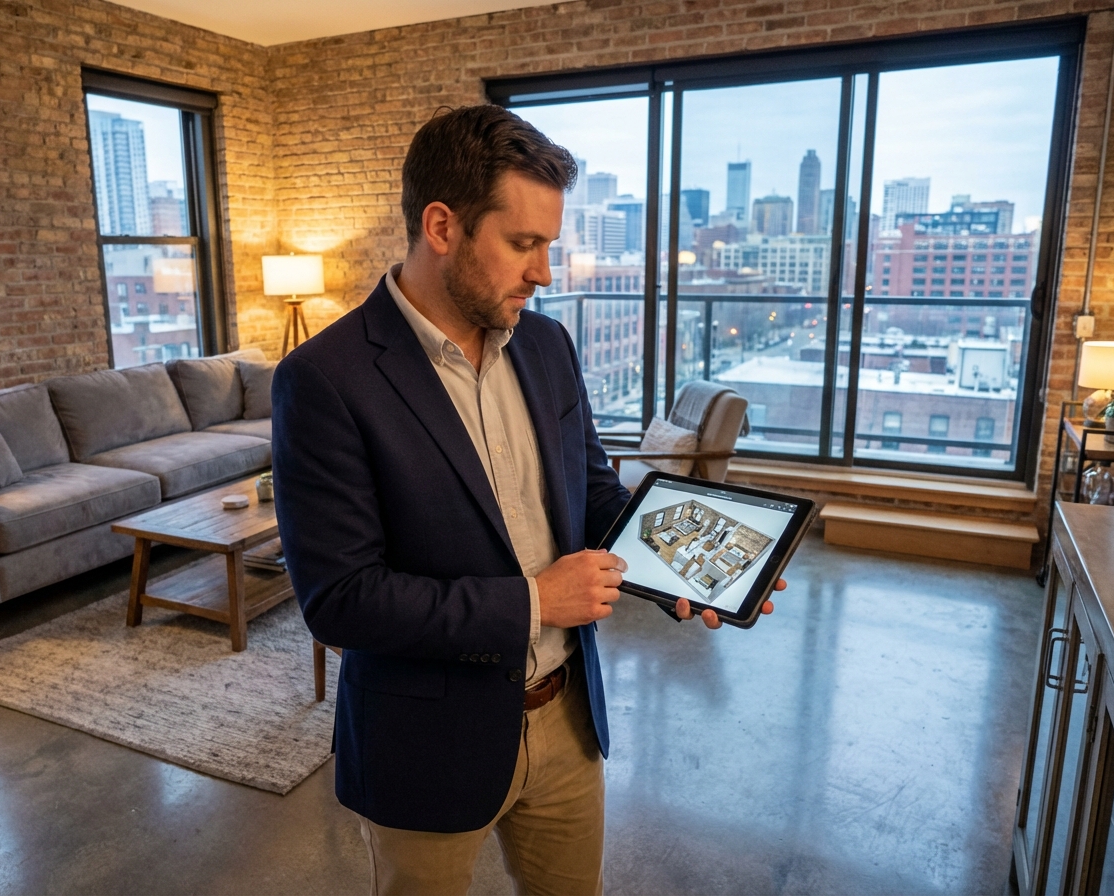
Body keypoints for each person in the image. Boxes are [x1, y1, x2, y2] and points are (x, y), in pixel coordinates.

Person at [272, 104, 783, 896]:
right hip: (425, 745)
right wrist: (534, 602)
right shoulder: (324, 380)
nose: (544, 271)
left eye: (549, 244)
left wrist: (685, 557)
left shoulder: (547, 345)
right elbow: (341, 601)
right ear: (442, 226)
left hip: (568, 719)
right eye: (523, 244)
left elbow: (595, 496)